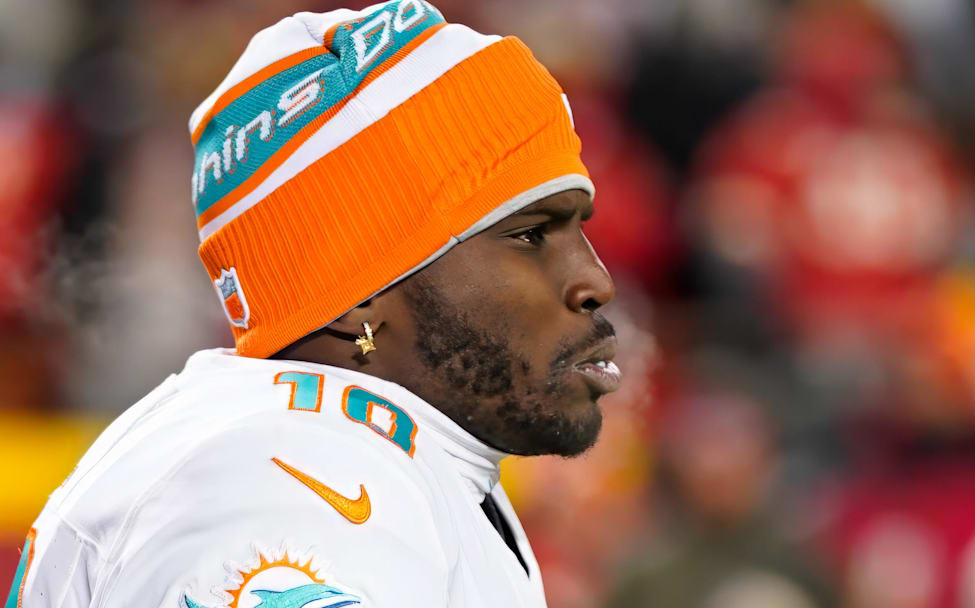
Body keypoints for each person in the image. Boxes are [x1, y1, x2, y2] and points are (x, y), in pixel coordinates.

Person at [5, 2, 620, 606]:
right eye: (530, 234)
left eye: (578, 229)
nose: (594, 281)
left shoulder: (341, 448)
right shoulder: (293, 485)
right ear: (361, 298)